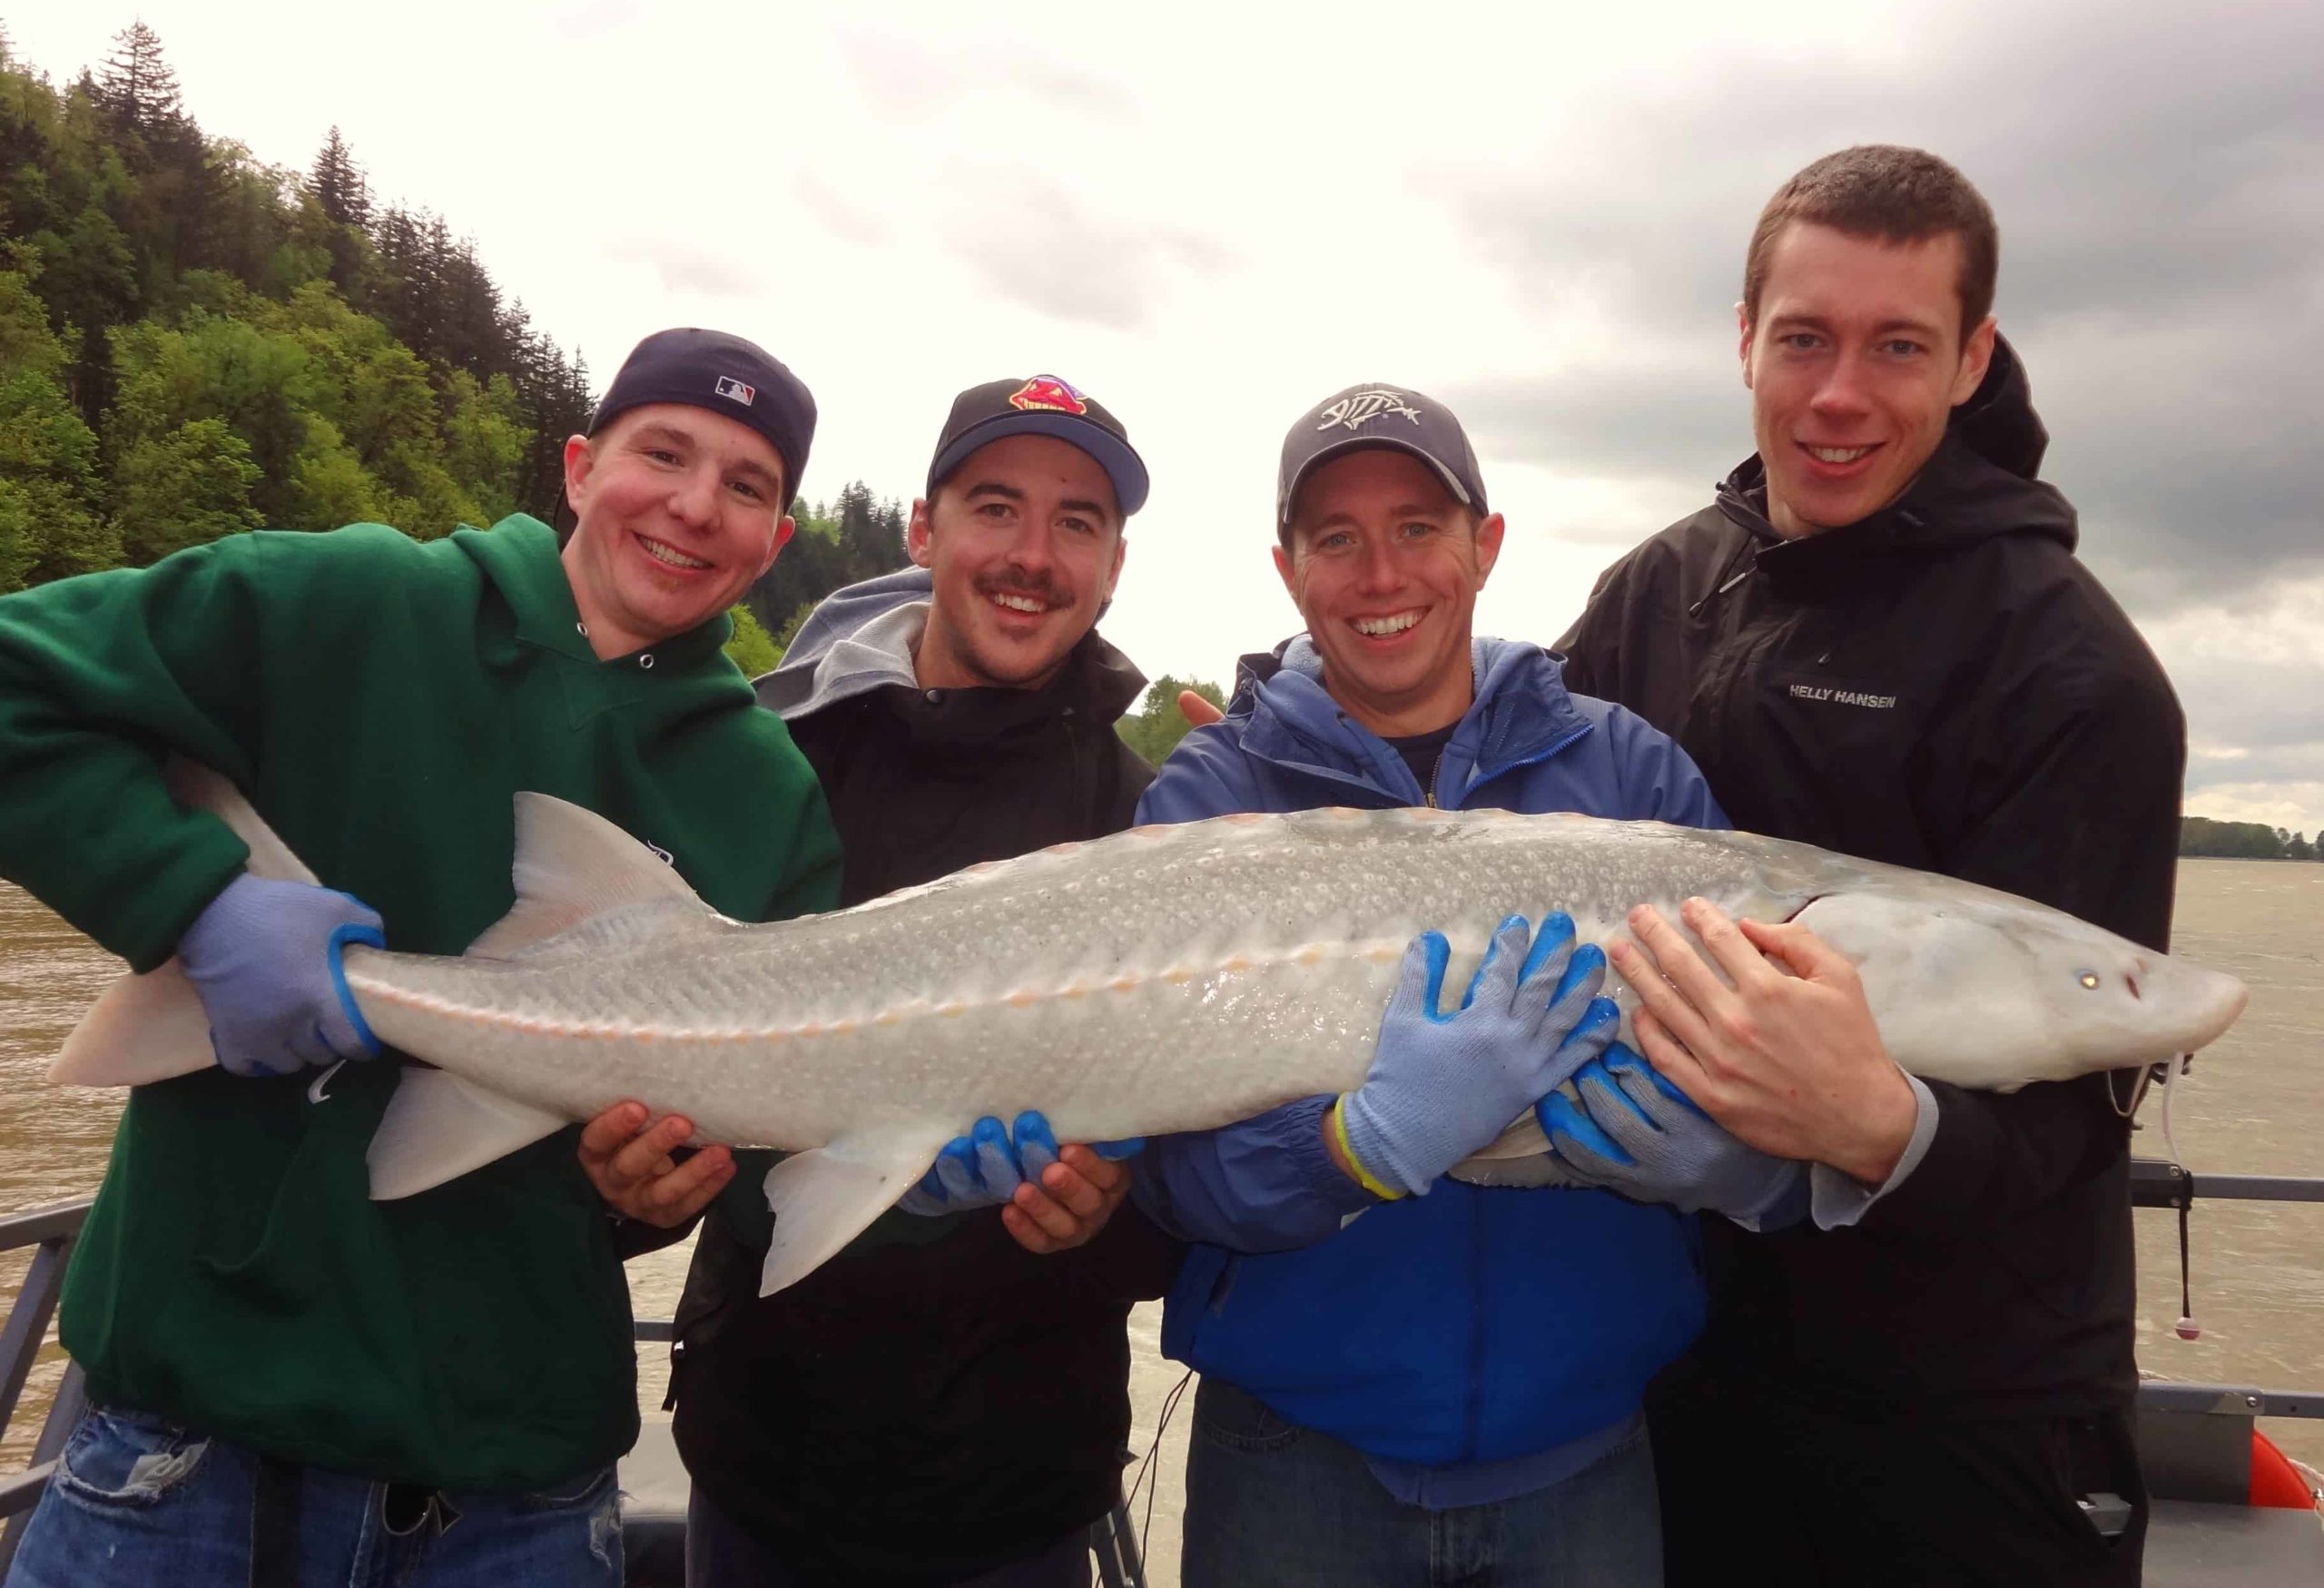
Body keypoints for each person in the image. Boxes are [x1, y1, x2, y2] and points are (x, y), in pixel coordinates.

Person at [0, 327, 841, 1586]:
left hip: (519, 1496)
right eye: (663, 453)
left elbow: (714, 1151)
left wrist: (646, 1193)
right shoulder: (348, 600)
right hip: (186, 1461)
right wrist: (189, 900)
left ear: (775, 543)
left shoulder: (769, 796)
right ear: (577, 466)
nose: (693, 506)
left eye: (746, 487)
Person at [1552, 143, 2186, 1587]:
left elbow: (2077, 1110)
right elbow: (1499, 825)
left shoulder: (2073, 674)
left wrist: (1887, 1124)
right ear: (1743, 340)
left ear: (1972, 360)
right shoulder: (1659, 590)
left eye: (1898, 346)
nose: (1839, 396)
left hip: (1959, 1423)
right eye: (1805, 340)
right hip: (1675, 1371)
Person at [1129, 385, 1738, 1588]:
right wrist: (1347, 1151)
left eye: (1417, 527)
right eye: (1336, 539)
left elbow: (1746, 1047)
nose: (1379, 572)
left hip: (1587, 1460)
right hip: (1292, 1462)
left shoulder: (1634, 775)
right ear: (1288, 569)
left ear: (1485, 545)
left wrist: (1721, 1149)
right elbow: (1165, 1160)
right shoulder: (1209, 797)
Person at [635, 375, 1187, 1587]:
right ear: (924, 531)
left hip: (1022, 1501)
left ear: (1114, 564)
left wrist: (1099, 1217)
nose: (1033, 556)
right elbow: (635, 1161)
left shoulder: (1148, 825)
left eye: (1078, 523)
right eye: (997, 507)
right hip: (761, 1475)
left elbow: (1176, 1219)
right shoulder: (769, 768)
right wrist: (656, 1184)